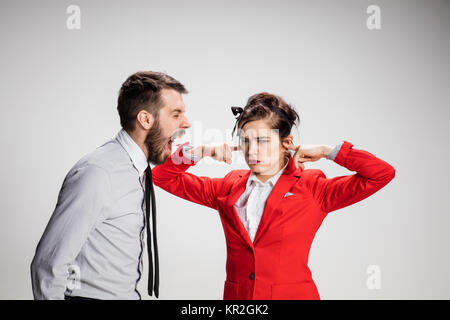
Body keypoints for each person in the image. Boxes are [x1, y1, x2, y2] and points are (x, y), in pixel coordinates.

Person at [152, 92, 396, 300]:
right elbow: (162, 177)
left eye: (262, 140)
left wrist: (328, 151)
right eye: (246, 141)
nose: (252, 150)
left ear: (286, 142)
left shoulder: (313, 188)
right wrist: (199, 152)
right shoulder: (228, 187)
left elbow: (381, 174)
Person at [30, 71, 191, 300]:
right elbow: (47, 266)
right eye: (176, 114)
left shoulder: (135, 169)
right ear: (146, 119)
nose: (186, 123)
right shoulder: (99, 173)